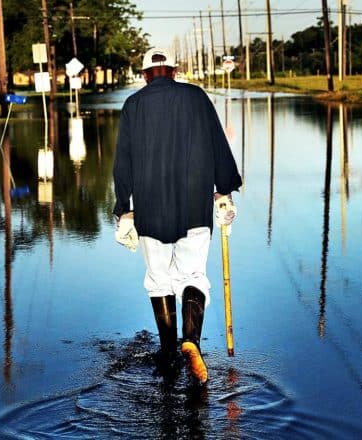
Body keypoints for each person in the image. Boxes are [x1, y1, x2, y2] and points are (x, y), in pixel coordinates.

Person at [112, 47, 242, 384]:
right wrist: (224, 188)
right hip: (193, 207)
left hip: (150, 209)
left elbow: (122, 161)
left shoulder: (133, 105)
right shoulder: (197, 97)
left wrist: (123, 208)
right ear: (174, 70)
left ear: (144, 75)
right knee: (193, 274)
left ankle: (168, 350)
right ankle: (191, 342)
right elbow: (217, 143)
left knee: (158, 278)